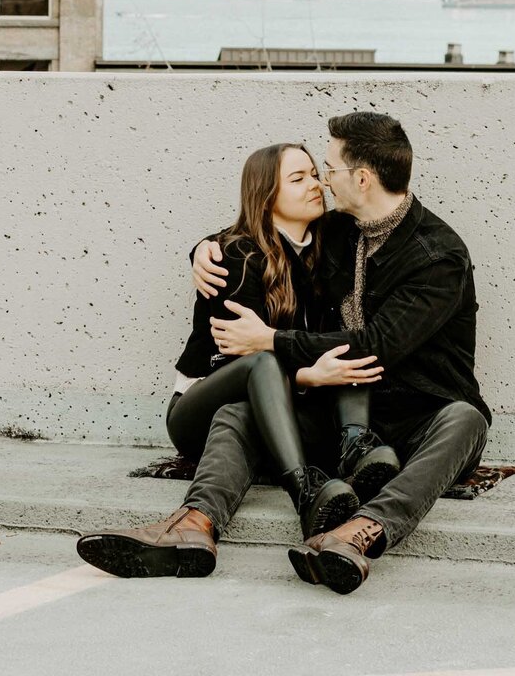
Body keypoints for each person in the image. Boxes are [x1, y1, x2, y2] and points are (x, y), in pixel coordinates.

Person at [193, 111, 491, 594]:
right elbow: (266, 230)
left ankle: (357, 533)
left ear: (363, 178)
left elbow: (377, 344)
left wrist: (271, 340)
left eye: (329, 168)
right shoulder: (339, 230)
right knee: (235, 413)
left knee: (467, 420)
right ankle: (193, 523)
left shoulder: (438, 255)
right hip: (346, 415)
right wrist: (206, 248)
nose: (324, 181)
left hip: (420, 417)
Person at [76, 143, 385, 579]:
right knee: (259, 366)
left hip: (263, 412)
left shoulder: (328, 245)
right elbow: (236, 364)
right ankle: (304, 491)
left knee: (255, 407)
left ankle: (194, 528)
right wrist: (307, 378)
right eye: (297, 179)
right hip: (199, 404)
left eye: (314, 174)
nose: (314, 185)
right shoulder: (236, 258)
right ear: (266, 195)